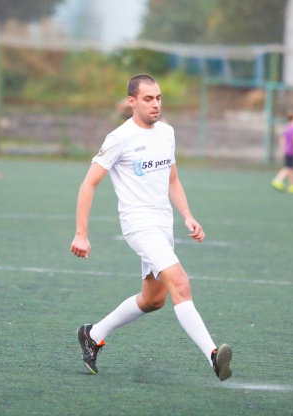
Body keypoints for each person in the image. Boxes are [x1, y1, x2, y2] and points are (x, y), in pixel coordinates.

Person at [70, 73, 232, 381]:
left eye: (158, 98)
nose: (155, 104)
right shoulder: (119, 138)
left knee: (154, 299)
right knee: (180, 283)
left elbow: (173, 179)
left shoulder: (167, 133)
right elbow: (88, 184)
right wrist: (81, 234)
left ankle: (93, 335)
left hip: (163, 225)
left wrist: (187, 215)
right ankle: (213, 356)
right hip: (139, 225)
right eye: (148, 99)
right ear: (132, 102)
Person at [271, 111, 293, 194]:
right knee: (288, 167)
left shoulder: (287, 128)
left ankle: (292, 186)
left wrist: (283, 150)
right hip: (292, 150)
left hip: (286, 150)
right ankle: (277, 180)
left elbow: (282, 139)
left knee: (290, 168)